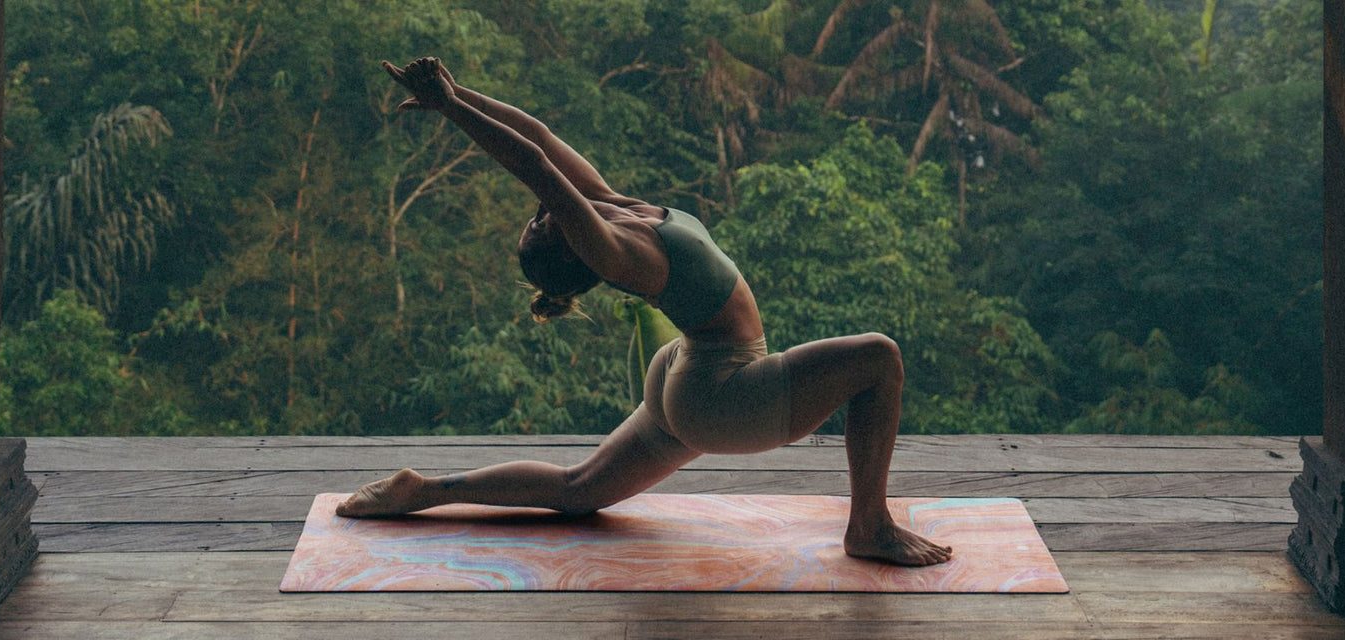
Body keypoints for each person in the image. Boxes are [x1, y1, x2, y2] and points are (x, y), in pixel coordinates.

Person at [336, 57, 952, 567]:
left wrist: (454, 91)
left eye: (534, 217)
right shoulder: (616, 251)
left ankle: (423, 491)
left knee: (580, 490)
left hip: (686, 377)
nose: (539, 211)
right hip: (723, 393)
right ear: (570, 243)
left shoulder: (610, 205)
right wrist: (451, 111)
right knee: (879, 358)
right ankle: (868, 526)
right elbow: (537, 167)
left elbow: (543, 140)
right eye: (542, 224)